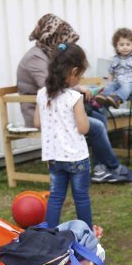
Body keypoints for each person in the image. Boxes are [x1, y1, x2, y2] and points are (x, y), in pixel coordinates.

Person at [17, 14, 132, 184]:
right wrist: (78, 89)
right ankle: (114, 167)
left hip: (58, 105)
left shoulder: (48, 52)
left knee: (98, 113)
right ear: (52, 36)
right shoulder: (35, 57)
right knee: (96, 125)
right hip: (44, 112)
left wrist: (82, 90)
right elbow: (50, 86)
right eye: (62, 38)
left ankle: (100, 169)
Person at [34, 43, 93, 229]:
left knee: (56, 197)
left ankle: (50, 234)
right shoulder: (74, 98)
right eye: (81, 75)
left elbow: (37, 123)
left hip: (54, 157)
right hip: (76, 157)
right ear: (74, 72)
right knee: (81, 197)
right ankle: (86, 234)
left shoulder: (42, 94)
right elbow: (84, 128)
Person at [95, 27, 132, 109]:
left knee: (126, 87)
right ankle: (104, 97)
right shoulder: (115, 59)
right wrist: (110, 84)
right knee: (110, 86)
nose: (125, 47)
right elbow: (111, 73)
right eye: (121, 45)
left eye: (128, 44)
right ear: (116, 47)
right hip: (119, 83)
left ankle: (117, 99)